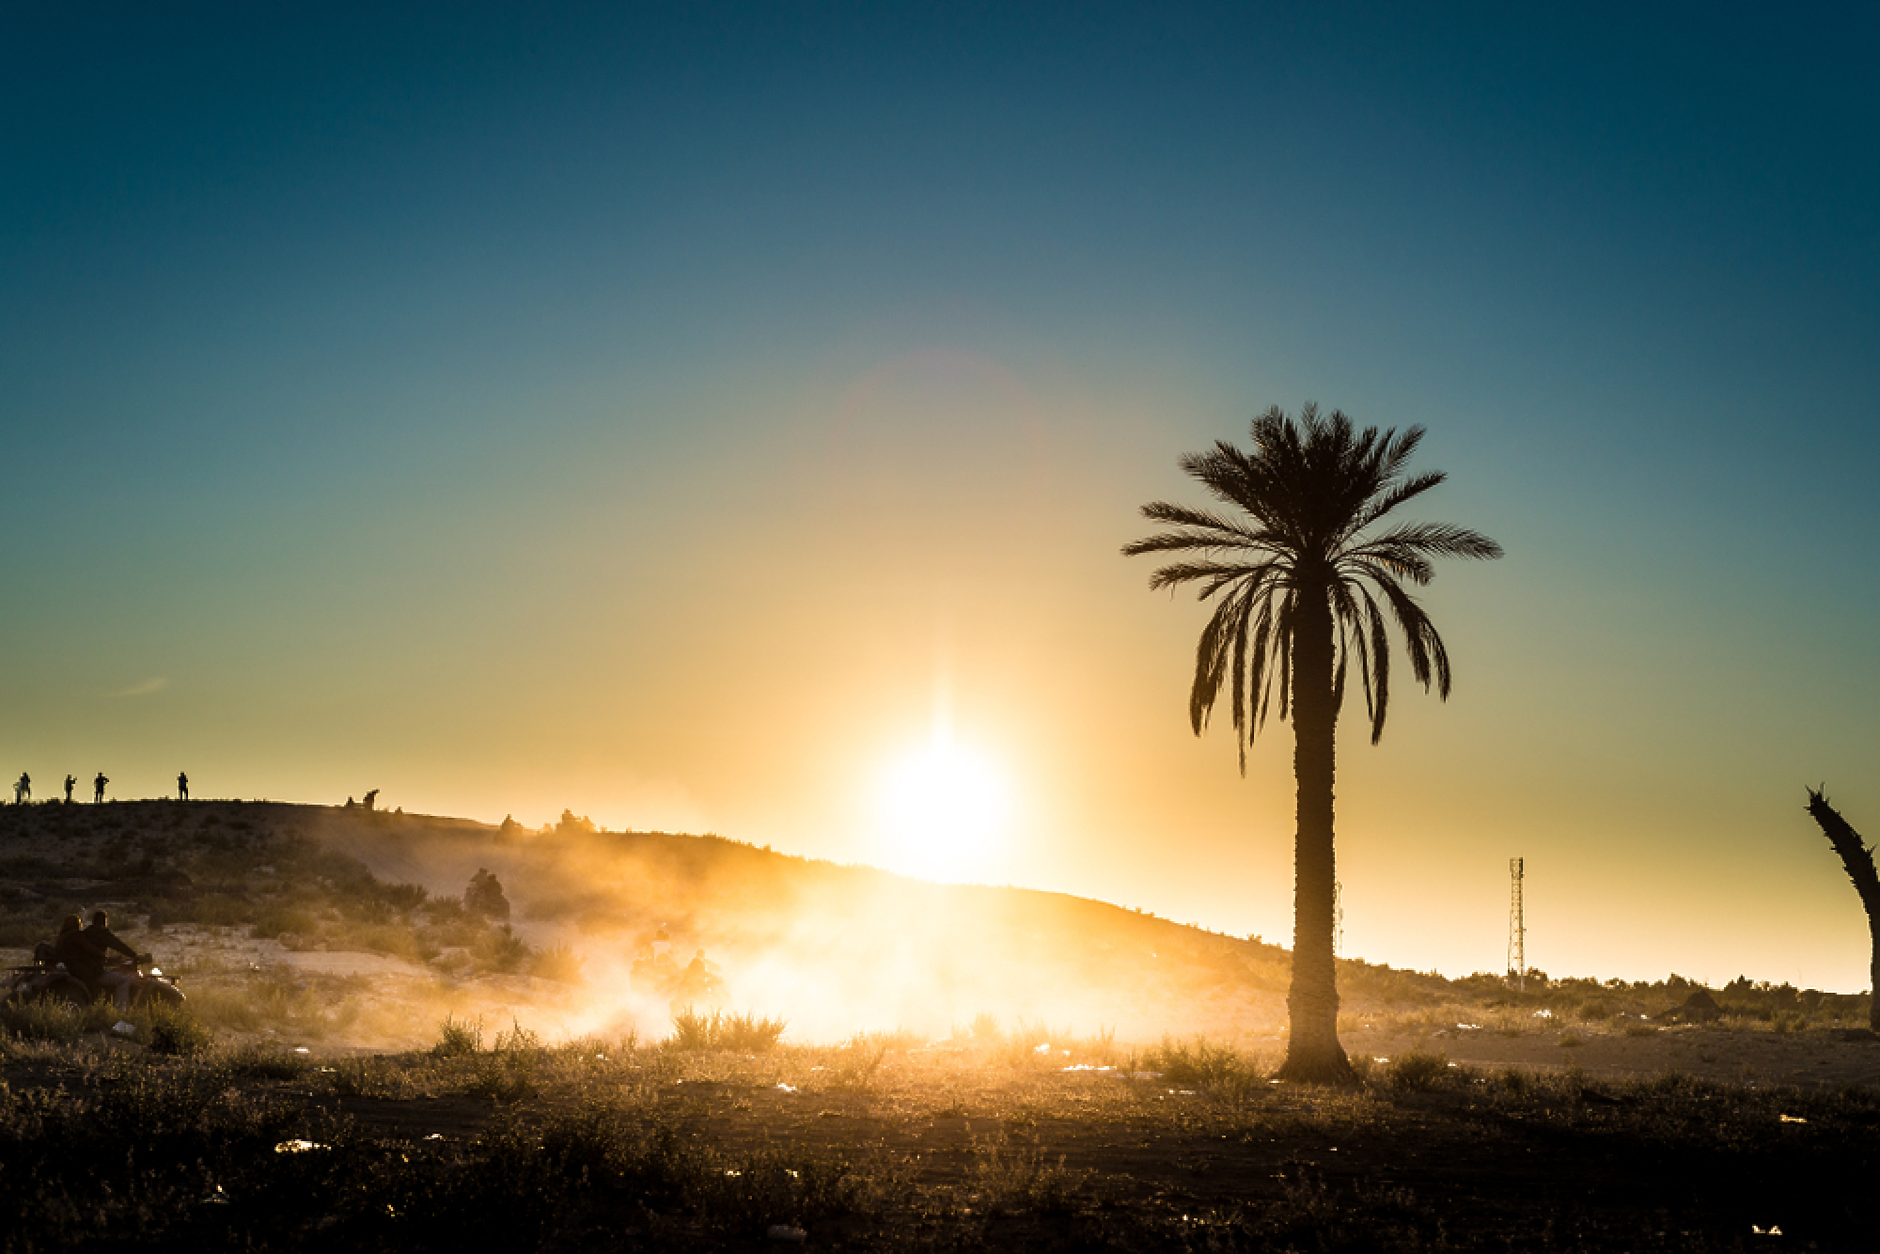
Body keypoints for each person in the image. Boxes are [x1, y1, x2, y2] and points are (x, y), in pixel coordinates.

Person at [83, 910, 143, 1011]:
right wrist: (134, 955)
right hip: (95, 972)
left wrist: (111, 960)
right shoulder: (102, 932)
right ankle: (121, 1011)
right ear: (104, 921)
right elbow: (118, 945)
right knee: (124, 980)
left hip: (84, 970)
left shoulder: (85, 933)